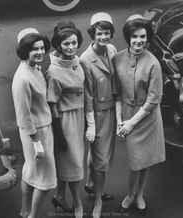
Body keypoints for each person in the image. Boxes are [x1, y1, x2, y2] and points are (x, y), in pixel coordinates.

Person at [113, 14, 166, 215]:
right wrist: (120, 121)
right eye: (134, 36)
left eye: (143, 37)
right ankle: (130, 193)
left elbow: (153, 100)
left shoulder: (153, 63)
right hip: (127, 113)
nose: (138, 41)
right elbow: (116, 91)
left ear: (147, 38)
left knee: (145, 160)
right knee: (135, 162)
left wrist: (130, 123)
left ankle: (140, 194)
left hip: (147, 117)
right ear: (128, 37)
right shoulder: (117, 58)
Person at [12, 28, 57, 218]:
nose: (40, 52)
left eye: (41, 48)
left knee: (31, 172)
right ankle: (32, 216)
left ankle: (24, 212)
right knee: (46, 180)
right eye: (34, 49)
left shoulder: (33, 68)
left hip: (41, 129)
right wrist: (37, 142)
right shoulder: (22, 79)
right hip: (35, 133)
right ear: (24, 51)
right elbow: (24, 115)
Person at [45, 21, 84, 218]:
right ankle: (78, 205)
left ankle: (60, 197)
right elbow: (52, 105)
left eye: (74, 43)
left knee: (68, 164)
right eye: (66, 44)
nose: (71, 47)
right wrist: (59, 133)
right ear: (59, 45)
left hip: (79, 117)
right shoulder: (53, 71)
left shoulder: (76, 60)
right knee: (75, 164)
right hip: (65, 120)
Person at [80, 12, 117, 218]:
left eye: (107, 33)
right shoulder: (86, 59)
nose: (103, 37)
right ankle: (98, 199)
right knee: (101, 159)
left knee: (97, 155)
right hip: (98, 113)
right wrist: (91, 125)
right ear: (92, 33)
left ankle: (90, 184)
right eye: (99, 33)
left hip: (111, 110)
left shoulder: (111, 49)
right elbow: (87, 96)